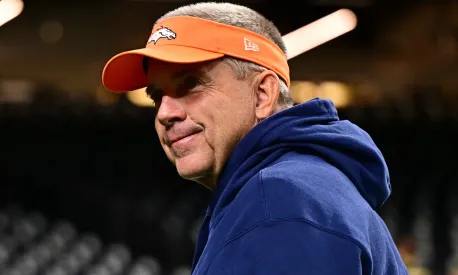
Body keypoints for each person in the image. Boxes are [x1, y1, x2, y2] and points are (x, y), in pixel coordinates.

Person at [101, 2, 408, 274]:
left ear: (262, 94)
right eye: (157, 96)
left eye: (191, 84)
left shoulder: (278, 202)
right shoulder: (299, 185)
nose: (165, 112)